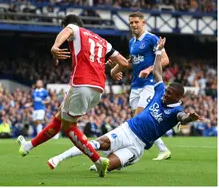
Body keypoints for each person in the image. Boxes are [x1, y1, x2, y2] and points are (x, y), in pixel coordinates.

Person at [47, 37, 202, 174]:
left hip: (138, 146)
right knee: (97, 143)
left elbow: (183, 118)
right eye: (166, 91)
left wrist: (189, 117)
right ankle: (58, 158)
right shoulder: (161, 90)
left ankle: (117, 161)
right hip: (127, 130)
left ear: (178, 97)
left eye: (169, 94)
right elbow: (157, 73)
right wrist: (158, 52)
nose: (165, 94)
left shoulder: (177, 111)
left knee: (103, 167)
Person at [16, 14, 129, 177]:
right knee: (60, 116)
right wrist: (113, 71)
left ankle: (99, 161)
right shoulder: (103, 41)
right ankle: (29, 146)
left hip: (82, 84)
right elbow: (124, 62)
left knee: (69, 128)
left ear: (65, 26)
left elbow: (68, 31)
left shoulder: (75, 28)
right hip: (98, 89)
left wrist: (55, 46)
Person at [109, 11, 171, 160]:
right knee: (139, 122)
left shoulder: (151, 39)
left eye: (136, 22)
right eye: (131, 22)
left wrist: (149, 70)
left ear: (143, 23)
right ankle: (163, 149)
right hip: (136, 85)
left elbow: (165, 60)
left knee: (138, 119)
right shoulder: (132, 43)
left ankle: (130, 154)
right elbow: (131, 63)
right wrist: (115, 68)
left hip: (149, 84)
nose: (134, 25)